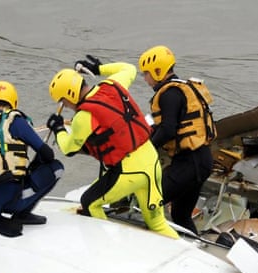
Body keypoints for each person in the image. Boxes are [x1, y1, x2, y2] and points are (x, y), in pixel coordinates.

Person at [46, 57, 179, 239]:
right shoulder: (112, 85)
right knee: (157, 223)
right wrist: (99, 68)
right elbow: (128, 68)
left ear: (69, 95)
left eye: (63, 102)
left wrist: (58, 129)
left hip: (130, 172)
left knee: (89, 203)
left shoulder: (84, 117)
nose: (66, 107)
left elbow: (68, 148)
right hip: (151, 162)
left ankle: (105, 248)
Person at [138, 45, 216, 235]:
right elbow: (169, 125)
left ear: (158, 71)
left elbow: (168, 130)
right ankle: (195, 245)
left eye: (146, 74)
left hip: (189, 164)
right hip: (202, 160)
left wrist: (145, 148)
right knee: (181, 215)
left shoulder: (169, 94)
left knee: (151, 201)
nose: (145, 79)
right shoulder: (182, 88)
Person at [0, 80, 64, 237]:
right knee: (56, 168)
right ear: (13, 101)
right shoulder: (15, 121)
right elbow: (48, 154)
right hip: (9, 202)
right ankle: (22, 212)